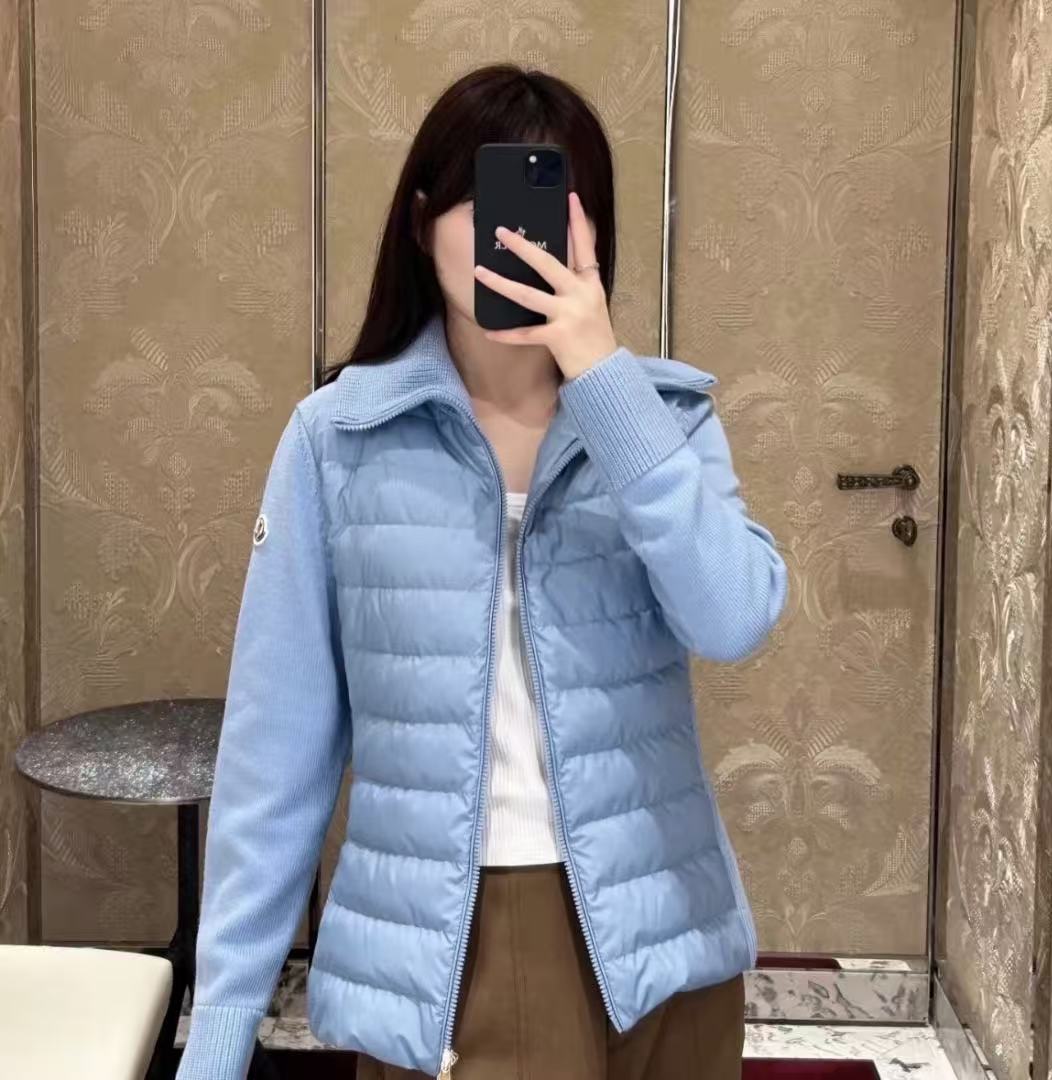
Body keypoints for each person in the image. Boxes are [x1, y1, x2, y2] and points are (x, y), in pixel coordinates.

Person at [175, 62, 787, 1080]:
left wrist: (605, 378)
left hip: (670, 929)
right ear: (422, 225)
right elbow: (275, 752)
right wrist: (225, 1026)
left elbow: (734, 617)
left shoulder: (661, 422)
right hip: (463, 936)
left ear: (590, 234)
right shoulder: (338, 439)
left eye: (547, 203)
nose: (515, 236)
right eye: (484, 201)